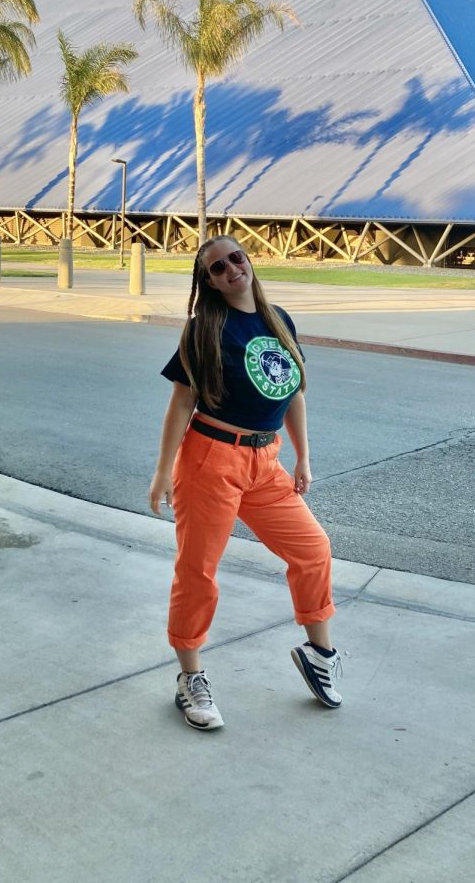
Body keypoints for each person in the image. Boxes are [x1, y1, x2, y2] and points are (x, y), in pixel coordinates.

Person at [149, 235, 342, 731]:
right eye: (217, 267)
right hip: (210, 460)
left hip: (266, 462)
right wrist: (162, 471)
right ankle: (190, 679)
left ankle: (320, 655)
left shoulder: (277, 318)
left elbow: (294, 390)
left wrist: (303, 456)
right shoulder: (203, 330)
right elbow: (181, 405)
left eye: (236, 258)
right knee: (199, 571)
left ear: (248, 259)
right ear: (208, 282)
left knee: (313, 549)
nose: (231, 269)